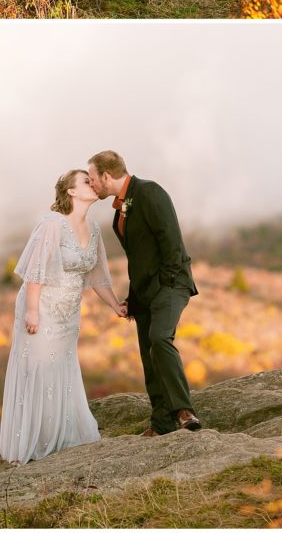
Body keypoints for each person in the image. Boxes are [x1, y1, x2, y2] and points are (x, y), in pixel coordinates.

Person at [0, 169, 127, 464]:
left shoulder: (93, 229)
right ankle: (35, 439)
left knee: (62, 369)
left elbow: (98, 277)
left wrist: (116, 306)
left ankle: (62, 434)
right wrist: (32, 311)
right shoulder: (53, 224)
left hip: (69, 313)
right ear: (71, 192)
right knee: (39, 368)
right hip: (41, 308)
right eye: (85, 181)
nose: (92, 184)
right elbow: (35, 272)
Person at [87, 150, 202, 437]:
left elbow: (172, 242)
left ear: (106, 175)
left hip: (171, 284)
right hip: (145, 292)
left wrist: (164, 282)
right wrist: (134, 298)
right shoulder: (119, 211)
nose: (91, 184)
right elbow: (138, 260)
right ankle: (161, 422)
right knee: (148, 356)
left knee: (160, 339)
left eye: (92, 178)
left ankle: (184, 411)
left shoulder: (150, 192)